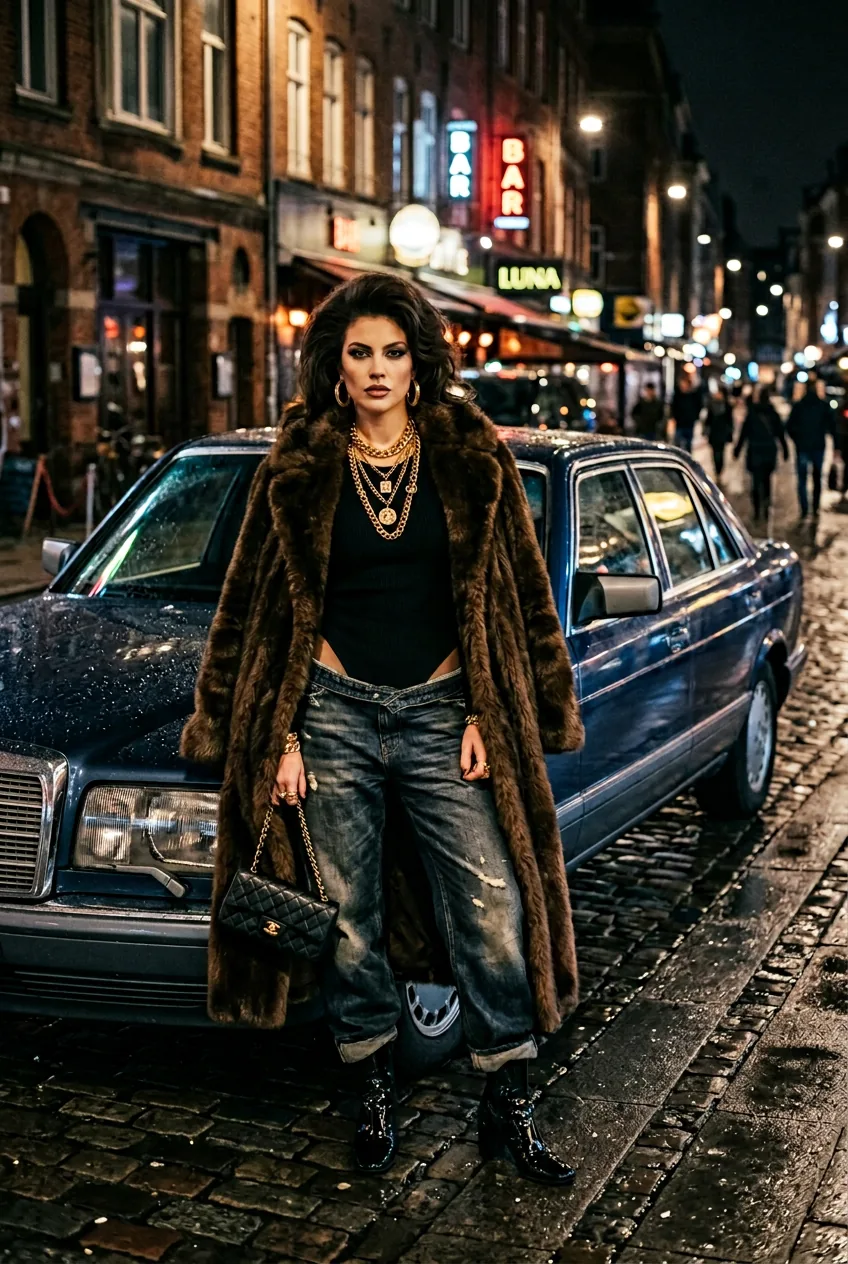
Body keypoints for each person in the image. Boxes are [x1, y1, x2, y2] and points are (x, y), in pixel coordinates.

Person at [180, 273, 584, 1185]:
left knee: (491, 906)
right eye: (358, 352)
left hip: (448, 716)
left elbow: (523, 595)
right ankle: (368, 1079)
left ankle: (508, 1099)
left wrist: (495, 711)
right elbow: (248, 607)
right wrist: (269, 733)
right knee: (350, 919)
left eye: (393, 352)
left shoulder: (467, 450)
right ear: (335, 365)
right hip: (329, 714)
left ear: (419, 361)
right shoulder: (299, 459)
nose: (376, 369)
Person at [733, 385, 789, 521]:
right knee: (767, 481)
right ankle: (766, 506)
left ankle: (757, 509)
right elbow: (780, 433)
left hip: (755, 450)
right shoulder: (773, 413)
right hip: (769, 450)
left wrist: (737, 450)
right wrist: (785, 449)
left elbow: (744, 433)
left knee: (756, 481)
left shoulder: (752, 412)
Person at [786, 377, 834, 520]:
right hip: (818, 446)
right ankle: (815, 507)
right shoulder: (823, 406)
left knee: (802, 478)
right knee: (817, 477)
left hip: (803, 447)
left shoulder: (799, 406)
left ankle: (805, 509)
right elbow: (832, 426)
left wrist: (797, 440)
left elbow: (789, 426)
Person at [703, 386, 734, 480]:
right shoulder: (711, 404)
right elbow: (708, 419)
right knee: (714, 453)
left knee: (720, 453)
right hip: (713, 432)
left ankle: (719, 470)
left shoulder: (727, 406)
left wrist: (730, 432)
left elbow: (730, 421)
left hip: (722, 432)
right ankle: (717, 470)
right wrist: (705, 430)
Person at [669, 375, 703, 453]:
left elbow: (698, 406)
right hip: (679, 423)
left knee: (688, 444)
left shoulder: (693, 396)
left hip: (689, 423)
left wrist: (694, 416)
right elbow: (673, 407)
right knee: (677, 444)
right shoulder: (677, 396)